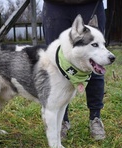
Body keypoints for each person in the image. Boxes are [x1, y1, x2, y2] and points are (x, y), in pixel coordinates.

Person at [42, 0, 107, 140]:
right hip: (55, 6)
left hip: (90, 4)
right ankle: (61, 121)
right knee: (55, 66)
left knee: (94, 62)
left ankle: (95, 118)